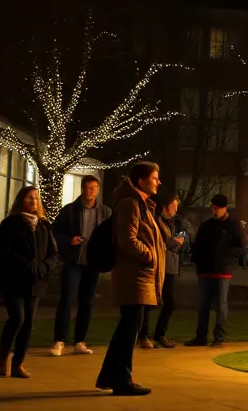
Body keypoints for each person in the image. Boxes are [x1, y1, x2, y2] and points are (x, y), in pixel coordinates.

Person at [96, 163, 166, 397]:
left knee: (128, 327)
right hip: (134, 276)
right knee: (129, 329)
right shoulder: (130, 204)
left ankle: (110, 376)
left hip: (140, 276)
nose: (158, 182)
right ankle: (122, 380)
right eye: (154, 178)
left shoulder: (142, 205)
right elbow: (127, 239)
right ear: (141, 180)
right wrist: (148, 255)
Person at [0, 186, 58, 378]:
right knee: (17, 318)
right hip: (13, 279)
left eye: (36, 199)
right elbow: (3, 251)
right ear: (22, 200)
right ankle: (3, 353)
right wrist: (27, 264)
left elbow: (53, 253)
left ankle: (18, 363)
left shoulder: (44, 225)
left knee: (29, 322)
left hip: (36, 281)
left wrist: (45, 266)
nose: (33, 201)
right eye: (30, 198)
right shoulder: (10, 223)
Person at [51, 175, 111, 356]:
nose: (89, 191)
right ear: (82, 189)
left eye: (93, 188)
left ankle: (80, 341)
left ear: (98, 190)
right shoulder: (70, 210)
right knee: (67, 299)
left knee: (87, 301)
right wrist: (69, 240)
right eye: (87, 188)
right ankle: (59, 340)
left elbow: (111, 234)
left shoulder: (105, 213)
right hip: (74, 261)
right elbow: (55, 231)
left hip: (93, 262)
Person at [183, 194, 243, 348]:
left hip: (222, 270)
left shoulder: (233, 225)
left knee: (220, 305)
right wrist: (198, 260)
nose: (213, 211)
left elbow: (240, 246)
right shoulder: (207, 225)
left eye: (216, 208)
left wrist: (226, 257)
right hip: (205, 270)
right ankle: (201, 336)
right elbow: (198, 245)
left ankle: (219, 337)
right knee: (203, 305)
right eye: (212, 208)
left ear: (224, 208)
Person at [140, 192, 184, 348]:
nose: (176, 209)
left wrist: (175, 242)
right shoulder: (157, 222)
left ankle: (159, 334)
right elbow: (159, 242)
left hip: (170, 267)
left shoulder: (173, 223)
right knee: (149, 302)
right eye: (174, 206)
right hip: (158, 266)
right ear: (166, 206)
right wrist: (173, 242)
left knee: (170, 302)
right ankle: (144, 335)